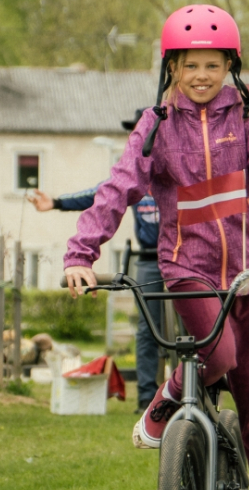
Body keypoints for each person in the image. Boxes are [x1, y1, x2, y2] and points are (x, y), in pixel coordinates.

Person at [64, 4, 249, 490]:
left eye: (213, 65)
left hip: (248, 272)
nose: (202, 76)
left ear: (231, 67)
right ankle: (167, 399)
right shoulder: (156, 126)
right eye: (190, 64)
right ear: (171, 67)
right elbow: (116, 191)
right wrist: (80, 253)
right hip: (188, 269)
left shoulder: (247, 120)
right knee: (217, 356)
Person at [30, 109, 162, 410]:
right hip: (148, 260)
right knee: (147, 330)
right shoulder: (133, 175)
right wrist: (57, 203)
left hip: (184, 258)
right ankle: (147, 399)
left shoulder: (179, 168)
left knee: (189, 329)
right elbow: (100, 194)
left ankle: (186, 394)